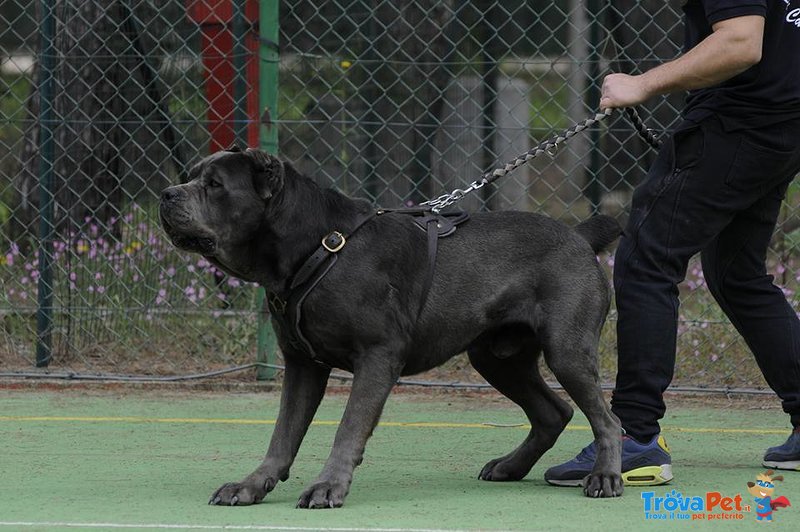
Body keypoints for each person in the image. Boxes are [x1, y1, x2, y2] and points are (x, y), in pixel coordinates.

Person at [545, 0, 800, 487]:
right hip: (780, 121)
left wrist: (640, 83)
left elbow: (741, 42)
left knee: (646, 259)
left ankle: (634, 437)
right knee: (737, 275)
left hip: (740, 123)